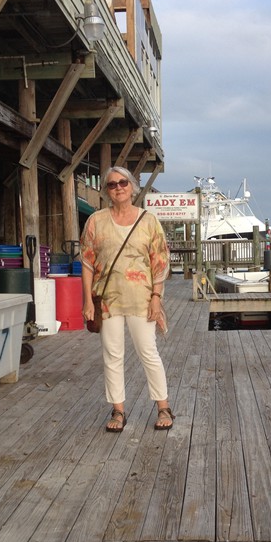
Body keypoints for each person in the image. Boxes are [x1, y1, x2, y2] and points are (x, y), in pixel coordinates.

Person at [80, 166, 174, 432]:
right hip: (107, 299)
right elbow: (87, 263)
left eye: (123, 182)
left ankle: (163, 406)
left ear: (132, 186)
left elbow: (160, 263)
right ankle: (118, 410)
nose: (118, 187)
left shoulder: (148, 221)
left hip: (141, 298)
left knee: (148, 352)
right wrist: (87, 300)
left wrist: (156, 297)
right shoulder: (96, 221)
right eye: (112, 184)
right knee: (112, 355)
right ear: (106, 191)